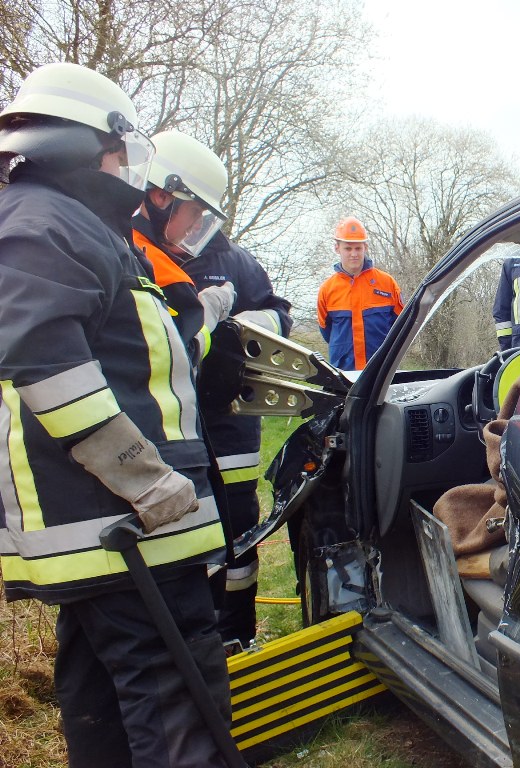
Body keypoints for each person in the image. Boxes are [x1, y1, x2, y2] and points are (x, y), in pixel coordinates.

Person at [0, 63, 230, 766]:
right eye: (118, 151)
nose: (127, 172)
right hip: (130, 527)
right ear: (77, 144)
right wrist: (144, 481)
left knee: (103, 698)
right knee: (177, 704)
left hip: (108, 532)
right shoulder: (46, 225)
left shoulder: (66, 226)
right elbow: (45, 361)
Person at [189, 229, 293, 648]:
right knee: (188, 532)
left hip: (230, 421)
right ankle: (197, 638)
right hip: (175, 422)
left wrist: (247, 325)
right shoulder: (137, 251)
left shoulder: (235, 261)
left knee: (239, 530)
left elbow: (279, 313)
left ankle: (238, 633)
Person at [132, 129, 236, 361]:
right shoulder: (168, 279)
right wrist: (209, 308)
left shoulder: (108, 238)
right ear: (162, 196)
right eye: (195, 211)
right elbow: (178, 356)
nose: (198, 225)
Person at [317, 216, 403, 370]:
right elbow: (326, 331)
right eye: (348, 248)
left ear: (366, 247)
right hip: (343, 374)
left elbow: (400, 327)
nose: (354, 254)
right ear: (337, 248)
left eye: (358, 248)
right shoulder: (327, 289)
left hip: (380, 373)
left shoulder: (387, 284)